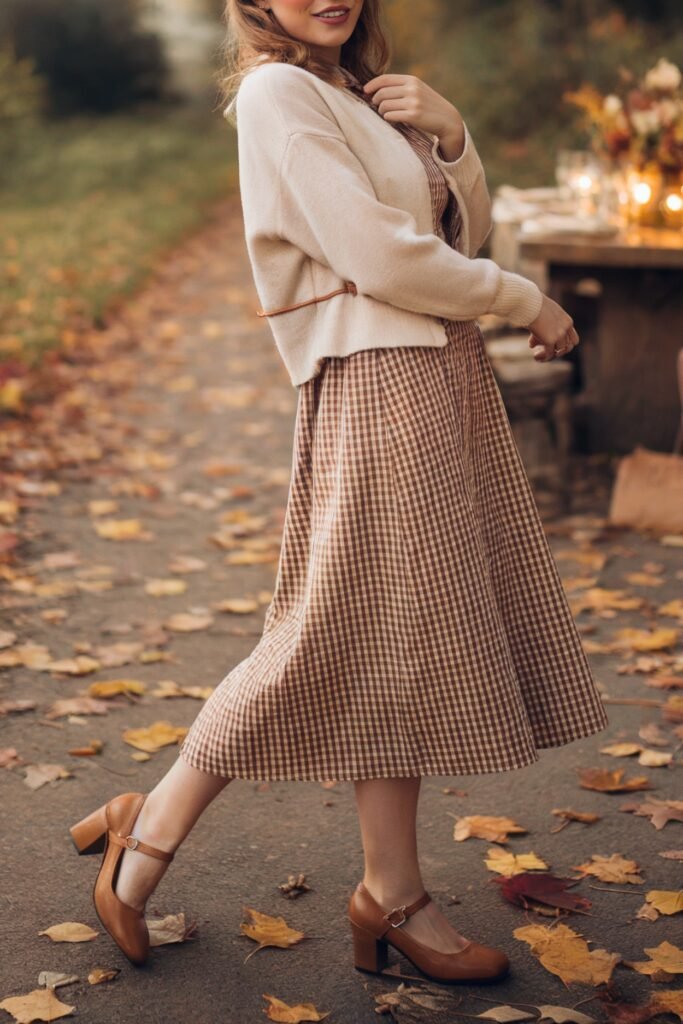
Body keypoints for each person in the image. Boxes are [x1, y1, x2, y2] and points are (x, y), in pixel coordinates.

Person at [70, 0, 609, 984]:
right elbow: (382, 259)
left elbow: (459, 230)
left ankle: (388, 891)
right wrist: (522, 298)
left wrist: (451, 137)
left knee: (389, 636)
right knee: (324, 633)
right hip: (378, 382)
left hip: (433, 371)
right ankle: (151, 827)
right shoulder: (279, 92)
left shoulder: (351, 93)